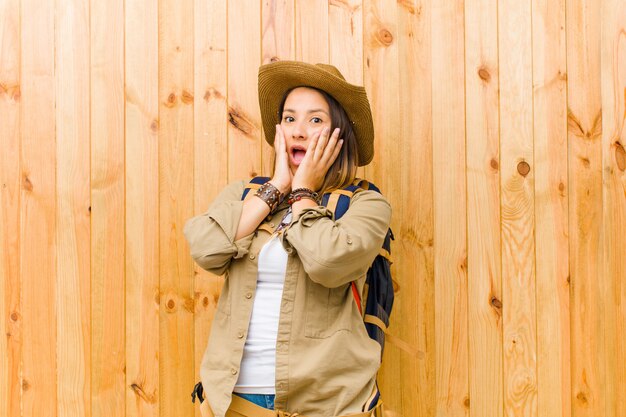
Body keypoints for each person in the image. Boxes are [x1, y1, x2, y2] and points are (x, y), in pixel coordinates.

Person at [184, 60, 392, 417]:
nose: (298, 130)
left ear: (339, 135)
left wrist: (303, 193)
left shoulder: (365, 204)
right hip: (237, 403)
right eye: (290, 118)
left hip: (329, 406)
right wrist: (276, 188)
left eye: (315, 120)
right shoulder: (245, 194)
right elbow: (205, 248)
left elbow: (327, 262)